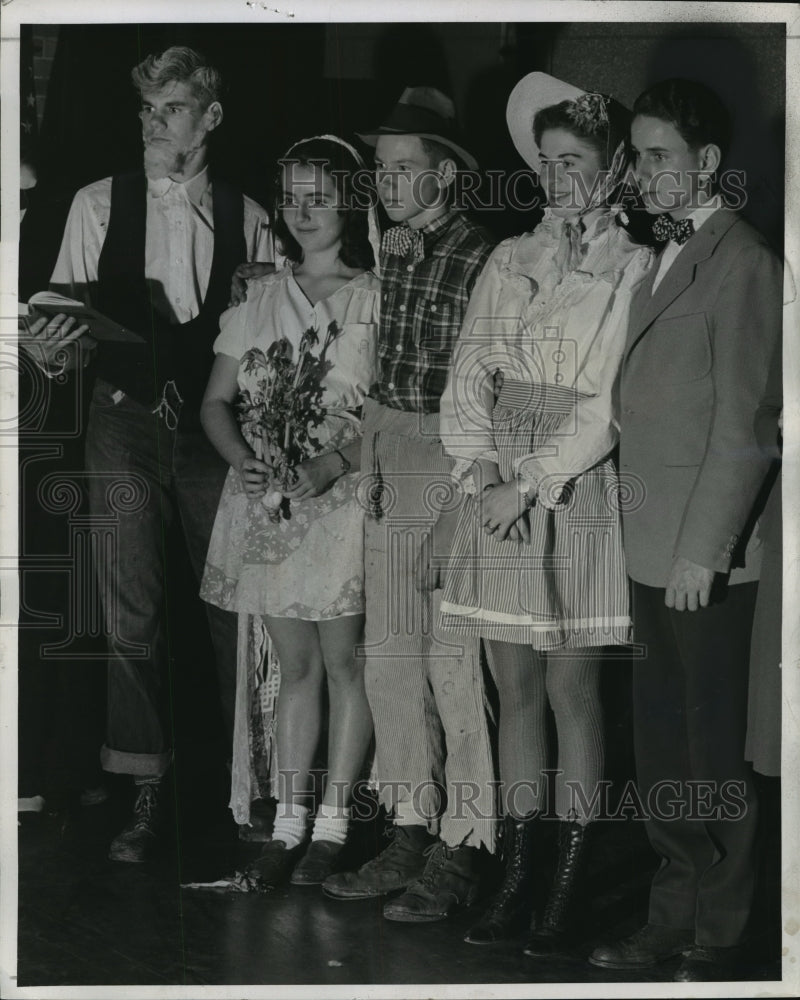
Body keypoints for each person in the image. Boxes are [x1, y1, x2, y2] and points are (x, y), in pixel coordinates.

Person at [437, 72, 652, 953]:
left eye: (577, 162)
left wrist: (526, 482)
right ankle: (517, 872)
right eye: (547, 162)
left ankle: (568, 881)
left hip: (567, 485)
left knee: (572, 688)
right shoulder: (509, 258)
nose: (560, 178)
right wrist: (481, 467)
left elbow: (605, 400)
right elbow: (470, 369)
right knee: (513, 686)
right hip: (495, 484)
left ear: (611, 171)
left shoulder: (630, 264)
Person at [43, 45, 274, 862]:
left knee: (236, 612)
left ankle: (254, 793)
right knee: (130, 611)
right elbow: (58, 337)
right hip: (122, 421)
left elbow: (278, 351)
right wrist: (52, 347)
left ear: (209, 117)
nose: (152, 124)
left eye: (169, 109)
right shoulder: (96, 204)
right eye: (145, 109)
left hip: (216, 431)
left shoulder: (251, 216)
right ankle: (147, 792)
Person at [588, 78, 782, 982]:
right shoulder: (656, 256)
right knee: (663, 738)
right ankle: (671, 915)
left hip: (704, 558)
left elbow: (745, 425)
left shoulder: (745, 263)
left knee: (714, 751)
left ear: (706, 163)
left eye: (660, 155)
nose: (643, 171)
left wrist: (706, 549)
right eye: (637, 154)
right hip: (647, 546)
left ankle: (722, 930)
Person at [321, 87, 498, 922]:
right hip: (391, 455)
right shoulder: (392, 251)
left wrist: (466, 497)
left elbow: (494, 395)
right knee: (391, 658)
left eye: (403, 169)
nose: (387, 184)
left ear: (448, 175)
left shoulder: (482, 257)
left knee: (452, 662)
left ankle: (466, 847)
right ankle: (409, 829)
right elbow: (375, 376)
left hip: (452, 459)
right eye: (382, 170)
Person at [200, 135, 381, 887]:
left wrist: (333, 461)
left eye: (321, 195)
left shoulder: (379, 296)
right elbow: (216, 403)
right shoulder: (259, 296)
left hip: (340, 501)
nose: (305, 212)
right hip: (269, 505)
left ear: (350, 198)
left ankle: (336, 825)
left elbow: (394, 409)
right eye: (293, 198)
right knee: (296, 664)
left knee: (346, 662)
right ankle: (289, 823)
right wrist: (243, 460)